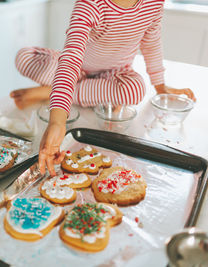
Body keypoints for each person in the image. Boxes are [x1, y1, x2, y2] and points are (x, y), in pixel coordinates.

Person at [10, 0, 196, 176]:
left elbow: (151, 40)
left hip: (114, 74)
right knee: (24, 56)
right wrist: (57, 122)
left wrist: (161, 86)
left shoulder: (154, 4)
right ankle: (71, 90)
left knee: (135, 89)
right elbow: (71, 59)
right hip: (77, 68)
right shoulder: (91, 4)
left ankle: (53, 92)